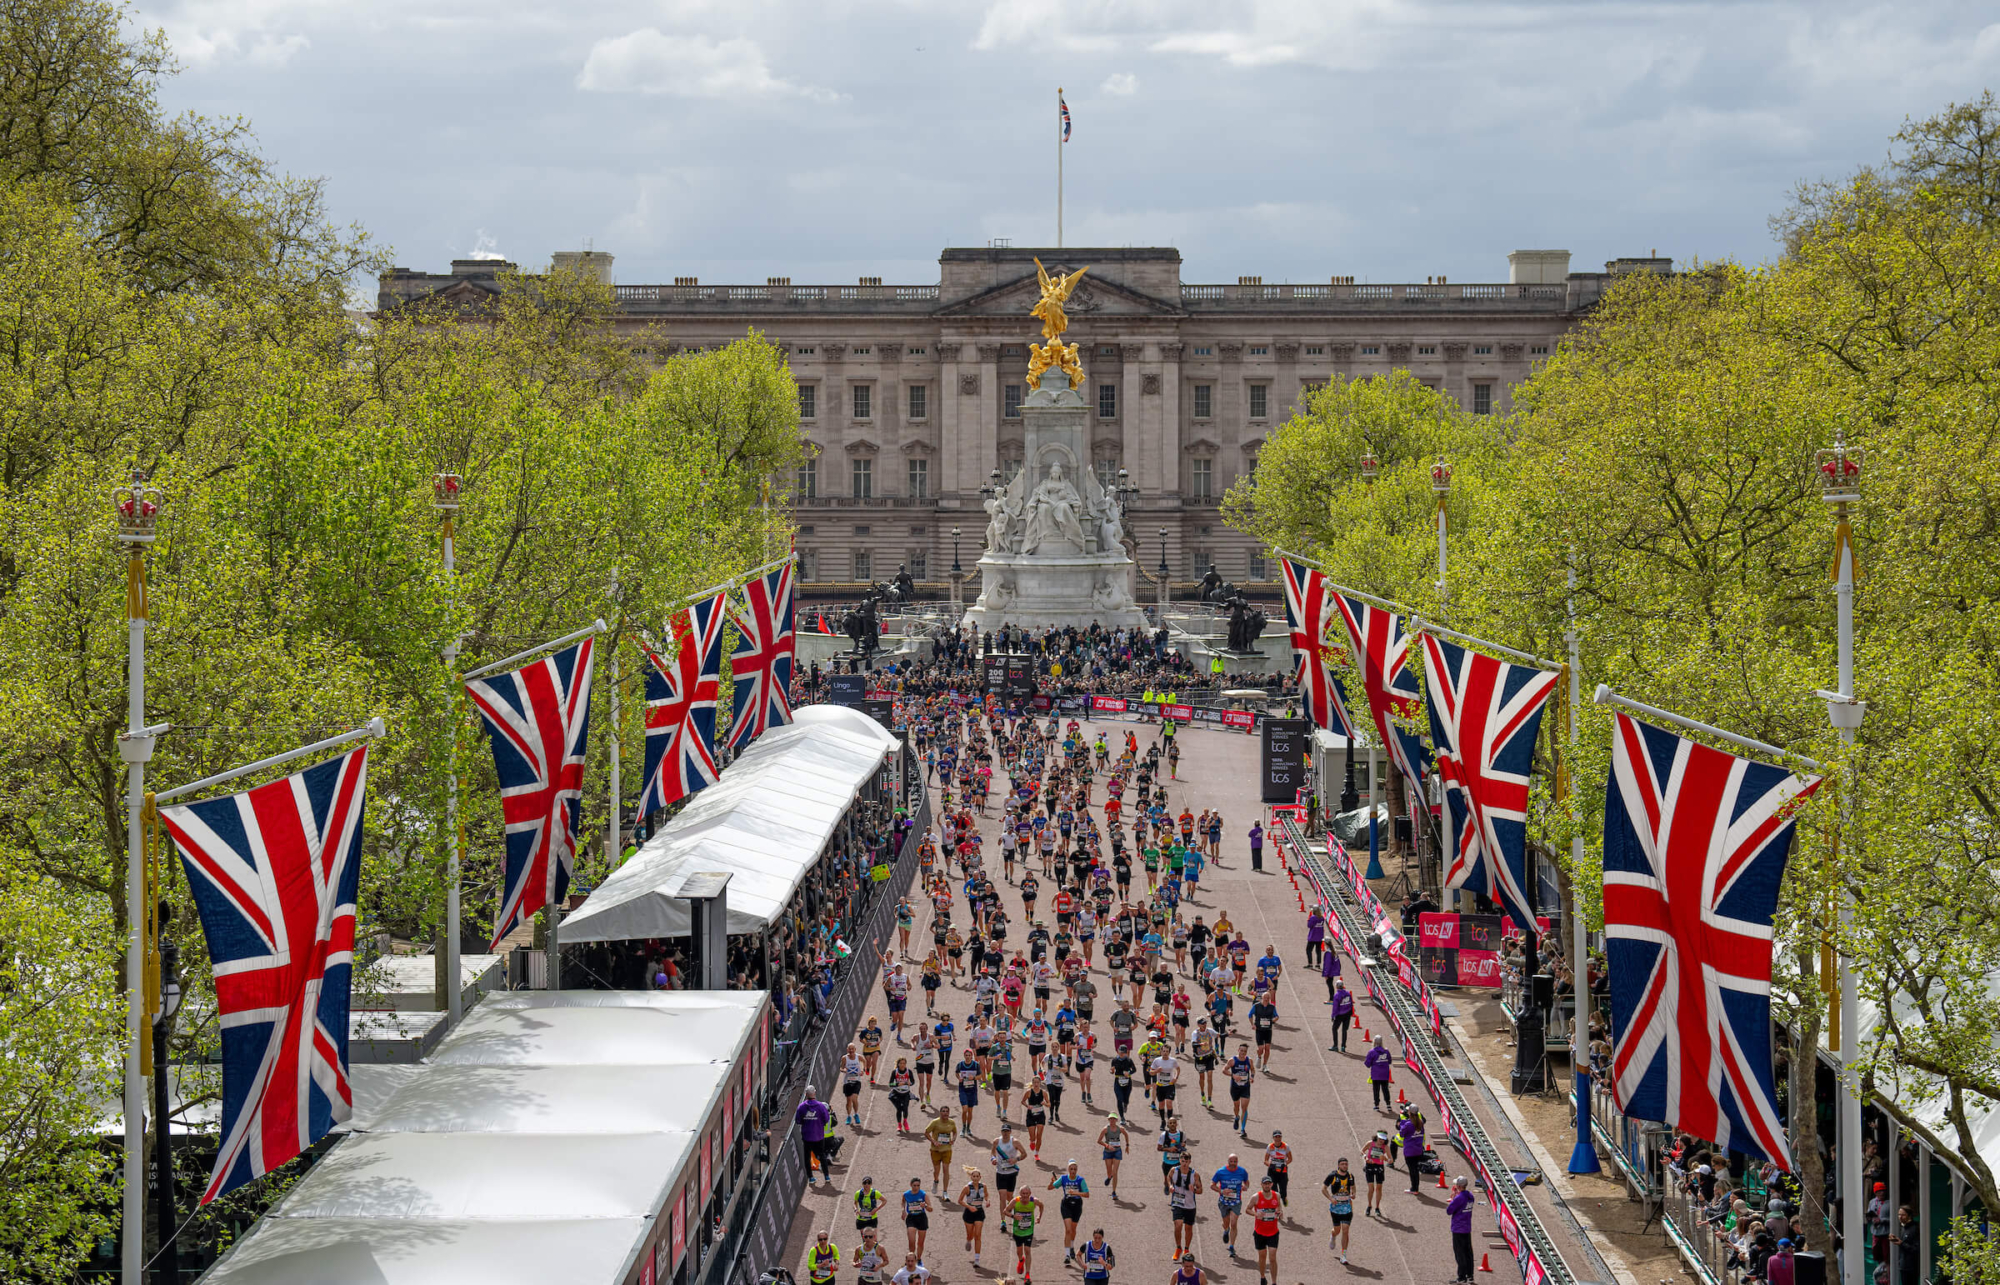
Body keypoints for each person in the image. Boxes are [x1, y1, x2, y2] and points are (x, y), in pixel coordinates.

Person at [1049, 1161, 1090, 1260]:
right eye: (1071, 1169)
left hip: (1077, 1206)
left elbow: (1087, 1194)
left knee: (1073, 1230)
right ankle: (1067, 1255)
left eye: (1075, 1169)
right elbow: (1049, 1188)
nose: (1073, 1171)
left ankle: (1071, 1246)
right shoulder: (1063, 1179)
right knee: (1068, 1230)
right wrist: (1052, 1182)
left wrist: (1076, 1193)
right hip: (1066, 1205)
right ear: (1068, 1169)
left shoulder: (1080, 1180)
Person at [1212, 1151, 1252, 1255]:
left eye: (1235, 1161)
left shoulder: (1242, 1171)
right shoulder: (1221, 1172)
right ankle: (1226, 1230)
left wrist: (1246, 1186)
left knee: (1234, 1223)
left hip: (1236, 1202)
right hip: (1224, 1202)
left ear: (1237, 1162)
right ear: (1228, 1161)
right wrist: (1221, 1191)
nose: (1233, 1163)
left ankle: (1232, 1246)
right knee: (1226, 1223)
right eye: (1231, 1161)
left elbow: (1246, 1181)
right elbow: (1212, 1185)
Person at [1248, 1175, 1284, 1285]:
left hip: (1273, 1232)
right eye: (1265, 1184)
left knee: (1272, 1257)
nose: (1267, 1185)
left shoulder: (1276, 1196)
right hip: (1260, 1232)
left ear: (1271, 1184)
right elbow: (1247, 1209)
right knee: (1262, 1256)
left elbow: (1279, 1209)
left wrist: (1280, 1213)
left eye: (1269, 1183)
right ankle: (1262, 1277)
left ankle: (1274, 1282)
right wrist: (1255, 1214)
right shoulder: (1256, 1197)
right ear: (1261, 1184)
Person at [1167, 1157, 1204, 1260]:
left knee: (1188, 1228)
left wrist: (1194, 1190)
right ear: (1180, 1160)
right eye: (1183, 1161)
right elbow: (1168, 1177)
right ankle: (1178, 1247)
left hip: (1189, 1205)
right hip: (1177, 1203)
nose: (1184, 1164)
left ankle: (1186, 1249)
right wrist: (1170, 1186)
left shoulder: (1194, 1174)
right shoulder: (1174, 1170)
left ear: (1190, 1162)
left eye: (1186, 1162)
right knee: (1178, 1224)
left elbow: (1201, 1190)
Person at [797, 1086, 835, 1185]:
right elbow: (826, 1119)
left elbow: (798, 1121)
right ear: (815, 1093)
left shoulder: (801, 1107)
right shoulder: (821, 1106)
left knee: (807, 1157)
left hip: (807, 1137)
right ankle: (826, 1176)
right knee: (822, 1155)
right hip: (818, 1136)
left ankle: (811, 1177)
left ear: (806, 1094)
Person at [1007, 1187, 1045, 1282]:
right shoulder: (1015, 1201)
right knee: (1019, 1252)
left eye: (1026, 1193)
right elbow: (1005, 1211)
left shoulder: (1034, 1201)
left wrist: (1039, 1217)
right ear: (1020, 1194)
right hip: (1017, 1231)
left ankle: (1027, 1275)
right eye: (1023, 1193)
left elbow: (1041, 1205)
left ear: (1030, 1193)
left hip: (1029, 1231)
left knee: (1027, 1250)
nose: (1024, 1195)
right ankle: (1021, 1260)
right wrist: (1013, 1216)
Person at [1323, 1157, 1357, 1261]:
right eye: (1342, 1164)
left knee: (1345, 1230)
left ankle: (1344, 1255)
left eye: (1346, 1164)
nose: (1344, 1166)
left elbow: (1353, 1187)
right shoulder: (1332, 1175)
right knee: (1337, 1230)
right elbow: (1323, 1188)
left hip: (1347, 1207)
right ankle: (1333, 1236)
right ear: (1338, 1165)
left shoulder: (1350, 1176)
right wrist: (1330, 1198)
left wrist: (1353, 1193)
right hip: (1336, 1208)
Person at [958, 1165, 990, 1266]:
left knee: (978, 1235)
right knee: (970, 1234)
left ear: (980, 1177)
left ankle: (977, 1259)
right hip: (969, 1213)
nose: (975, 1178)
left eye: (977, 1176)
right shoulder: (967, 1188)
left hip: (979, 1212)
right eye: (974, 1176)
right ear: (971, 1177)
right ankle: (968, 1240)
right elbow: (959, 1201)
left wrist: (987, 1200)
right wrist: (969, 1207)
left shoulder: (983, 1186)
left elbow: (986, 1195)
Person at [1447, 1176, 1476, 1283]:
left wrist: (1454, 1198)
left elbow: (1449, 1210)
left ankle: (1461, 1277)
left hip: (1458, 1228)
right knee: (1468, 1253)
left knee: (1460, 1254)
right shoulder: (1470, 1196)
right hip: (1467, 1227)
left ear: (1459, 1186)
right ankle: (1470, 1275)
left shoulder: (1459, 1198)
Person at [923, 1106, 958, 1191]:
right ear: (940, 1113)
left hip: (947, 1149)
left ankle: (945, 1191)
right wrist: (933, 1141)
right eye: (943, 1111)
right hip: (936, 1150)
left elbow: (955, 1132)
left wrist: (953, 1140)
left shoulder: (952, 1122)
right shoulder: (935, 1122)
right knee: (936, 1170)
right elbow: (926, 1132)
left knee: (946, 1170)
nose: (945, 1113)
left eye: (947, 1111)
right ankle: (936, 1180)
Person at [1227, 1042, 1256, 1135]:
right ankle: (1236, 1117)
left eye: (1245, 1051)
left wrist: (1252, 1077)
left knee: (1244, 1108)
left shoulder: (1249, 1060)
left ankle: (1243, 1129)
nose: (1243, 1052)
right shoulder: (1232, 1060)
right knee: (1236, 1106)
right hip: (1235, 1087)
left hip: (1245, 1087)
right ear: (1238, 1050)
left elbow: (1253, 1069)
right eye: (1241, 1050)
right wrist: (1233, 1075)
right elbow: (1224, 1070)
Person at [1097, 1115, 1127, 1199]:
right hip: (1107, 1152)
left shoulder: (1120, 1129)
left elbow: (1126, 1135)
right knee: (1109, 1172)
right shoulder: (1105, 1129)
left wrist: (1127, 1145)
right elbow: (1098, 1141)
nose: (1112, 1120)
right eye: (1111, 1119)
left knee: (1115, 1172)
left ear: (1116, 1120)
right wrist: (1107, 1145)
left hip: (1117, 1151)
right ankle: (1109, 1177)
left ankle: (1114, 1192)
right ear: (1108, 1120)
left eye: (1114, 1119)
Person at [992, 1125, 1027, 1199]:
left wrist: (1016, 1159)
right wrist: (993, 1159)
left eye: (1007, 1131)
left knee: (1009, 1196)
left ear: (1010, 1132)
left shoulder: (1015, 1142)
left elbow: (1024, 1154)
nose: (1005, 1133)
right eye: (1003, 1131)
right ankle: (1004, 1210)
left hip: (1012, 1171)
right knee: (1002, 1195)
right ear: (1001, 1132)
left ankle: (1011, 1205)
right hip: (1000, 1171)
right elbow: (993, 1153)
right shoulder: (996, 1141)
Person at [1362, 1131, 1391, 1217]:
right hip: (1370, 1166)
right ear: (1376, 1137)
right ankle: (1369, 1205)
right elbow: (1362, 1151)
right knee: (1371, 1188)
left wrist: (1385, 1159)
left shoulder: (1385, 1147)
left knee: (1379, 1188)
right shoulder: (1370, 1143)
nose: (1381, 1140)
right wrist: (1365, 1157)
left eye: (1383, 1139)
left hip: (1379, 1168)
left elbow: (1391, 1160)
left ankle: (1377, 1207)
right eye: (1380, 1138)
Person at [903, 1177, 933, 1262]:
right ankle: (911, 1259)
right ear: (911, 1185)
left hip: (921, 1218)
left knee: (920, 1242)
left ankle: (919, 1259)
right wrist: (903, 1211)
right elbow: (903, 1203)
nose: (916, 1187)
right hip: (911, 1218)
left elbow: (931, 1209)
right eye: (914, 1185)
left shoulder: (923, 1194)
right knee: (911, 1240)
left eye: (918, 1185)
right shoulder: (906, 1194)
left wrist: (926, 1206)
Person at [1399, 1105, 1427, 1193]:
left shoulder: (1408, 1124)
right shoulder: (1420, 1122)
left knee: (1412, 1170)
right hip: (1418, 1149)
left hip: (1409, 1151)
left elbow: (1401, 1134)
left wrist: (1402, 1124)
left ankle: (1414, 1188)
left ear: (1410, 1113)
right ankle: (1416, 1188)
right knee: (1415, 1169)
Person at [1364, 1036, 1395, 1111]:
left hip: (1376, 1074)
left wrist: (1373, 1063)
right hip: (1385, 1074)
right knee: (1385, 1089)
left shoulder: (1372, 1052)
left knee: (1376, 1090)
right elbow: (1390, 1061)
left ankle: (1377, 1105)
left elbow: (1367, 1064)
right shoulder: (1386, 1051)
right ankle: (1388, 1105)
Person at [1264, 1130, 1293, 1207]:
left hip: (1282, 1171)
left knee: (1283, 1188)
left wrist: (1284, 1164)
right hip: (1272, 1171)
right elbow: (1265, 1160)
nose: (1277, 1138)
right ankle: (1277, 1206)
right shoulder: (1270, 1147)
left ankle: (1284, 1198)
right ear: (1273, 1138)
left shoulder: (1285, 1146)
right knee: (1274, 1189)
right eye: (1276, 1137)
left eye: (1279, 1136)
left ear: (1281, 1137)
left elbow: (1290, 1159)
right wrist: (1270, 1165)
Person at [1330, 980, 1356, 1052]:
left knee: (1334, 1029)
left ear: (1336, 987)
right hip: (1347, 1014)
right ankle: (1343, 1046)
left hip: (1340, 1014)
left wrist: (1333, 1016)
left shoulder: (1337, 995)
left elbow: (1335, 1007)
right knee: (1344, 1030)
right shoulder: (1348, 993)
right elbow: (1351, 1003)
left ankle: (1335, 1046)